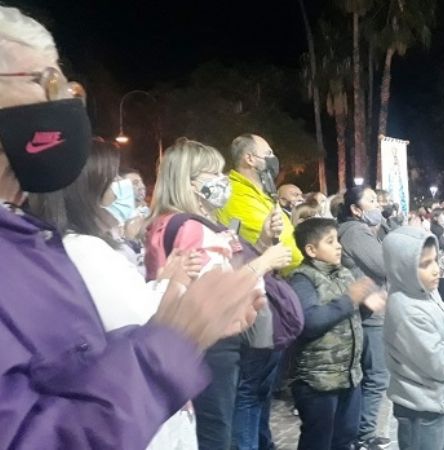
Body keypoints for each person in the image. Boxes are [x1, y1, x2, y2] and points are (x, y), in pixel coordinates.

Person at [0, 7, 266, 448]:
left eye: (65, 85)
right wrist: (170, 346)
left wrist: (184, 319)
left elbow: (67, 365)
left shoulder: (27, 238)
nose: (63, 101)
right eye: (44, 81)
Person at [28, 140, 204, 450]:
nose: (121, 189)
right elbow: (143, 326)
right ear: (88, 190)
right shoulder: (87, 249)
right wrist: (174, 285)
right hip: (134, 409)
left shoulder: (66, 246)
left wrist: (163, 281)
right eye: (113, 179)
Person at [145, 138, 293, 450]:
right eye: (212, 173)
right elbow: (214, 296)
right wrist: (265, 261)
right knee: (215, 435)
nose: (222, 180)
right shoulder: (191, 228)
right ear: (187, 182)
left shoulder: (166, 222)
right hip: (211, 345)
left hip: (186, 344)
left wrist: (263, 242)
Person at [382, 226, 444, 450]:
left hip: (442, 404)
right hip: (421, 413)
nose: (436, 270)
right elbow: (440, 364)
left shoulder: (423, 292)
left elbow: (433, 331)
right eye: (424, 264)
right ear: (402, 268)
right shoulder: (404, 309)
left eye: (435, 260)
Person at [289, 218, 386, 450]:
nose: (338, 246)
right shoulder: (302, 279)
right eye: (330, 242)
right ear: (311, 250)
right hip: (318, 379)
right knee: (319, 439)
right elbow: (310, 322)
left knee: (346, 436)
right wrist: (350, 299)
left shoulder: (343, 273)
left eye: (337, 241)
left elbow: (349, 319)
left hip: (349, 375)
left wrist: (364, 307)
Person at [337, 186, 391, 449]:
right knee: (377, 374)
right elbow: (383, 263)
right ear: (355, 210)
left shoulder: (360, 230)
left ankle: (362, 432)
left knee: (372, 374)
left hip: (370, 308)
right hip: (369, 313)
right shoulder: (355, 231)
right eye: (371, 201)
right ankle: (363, 434)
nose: (377, 204)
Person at [217, 133, 303, 274]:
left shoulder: (259, 193)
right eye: (268, 153)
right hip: (284, 275)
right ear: (250, 159)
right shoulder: (237, 195)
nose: (273, 159)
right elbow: (280, 246)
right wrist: (305, 268)